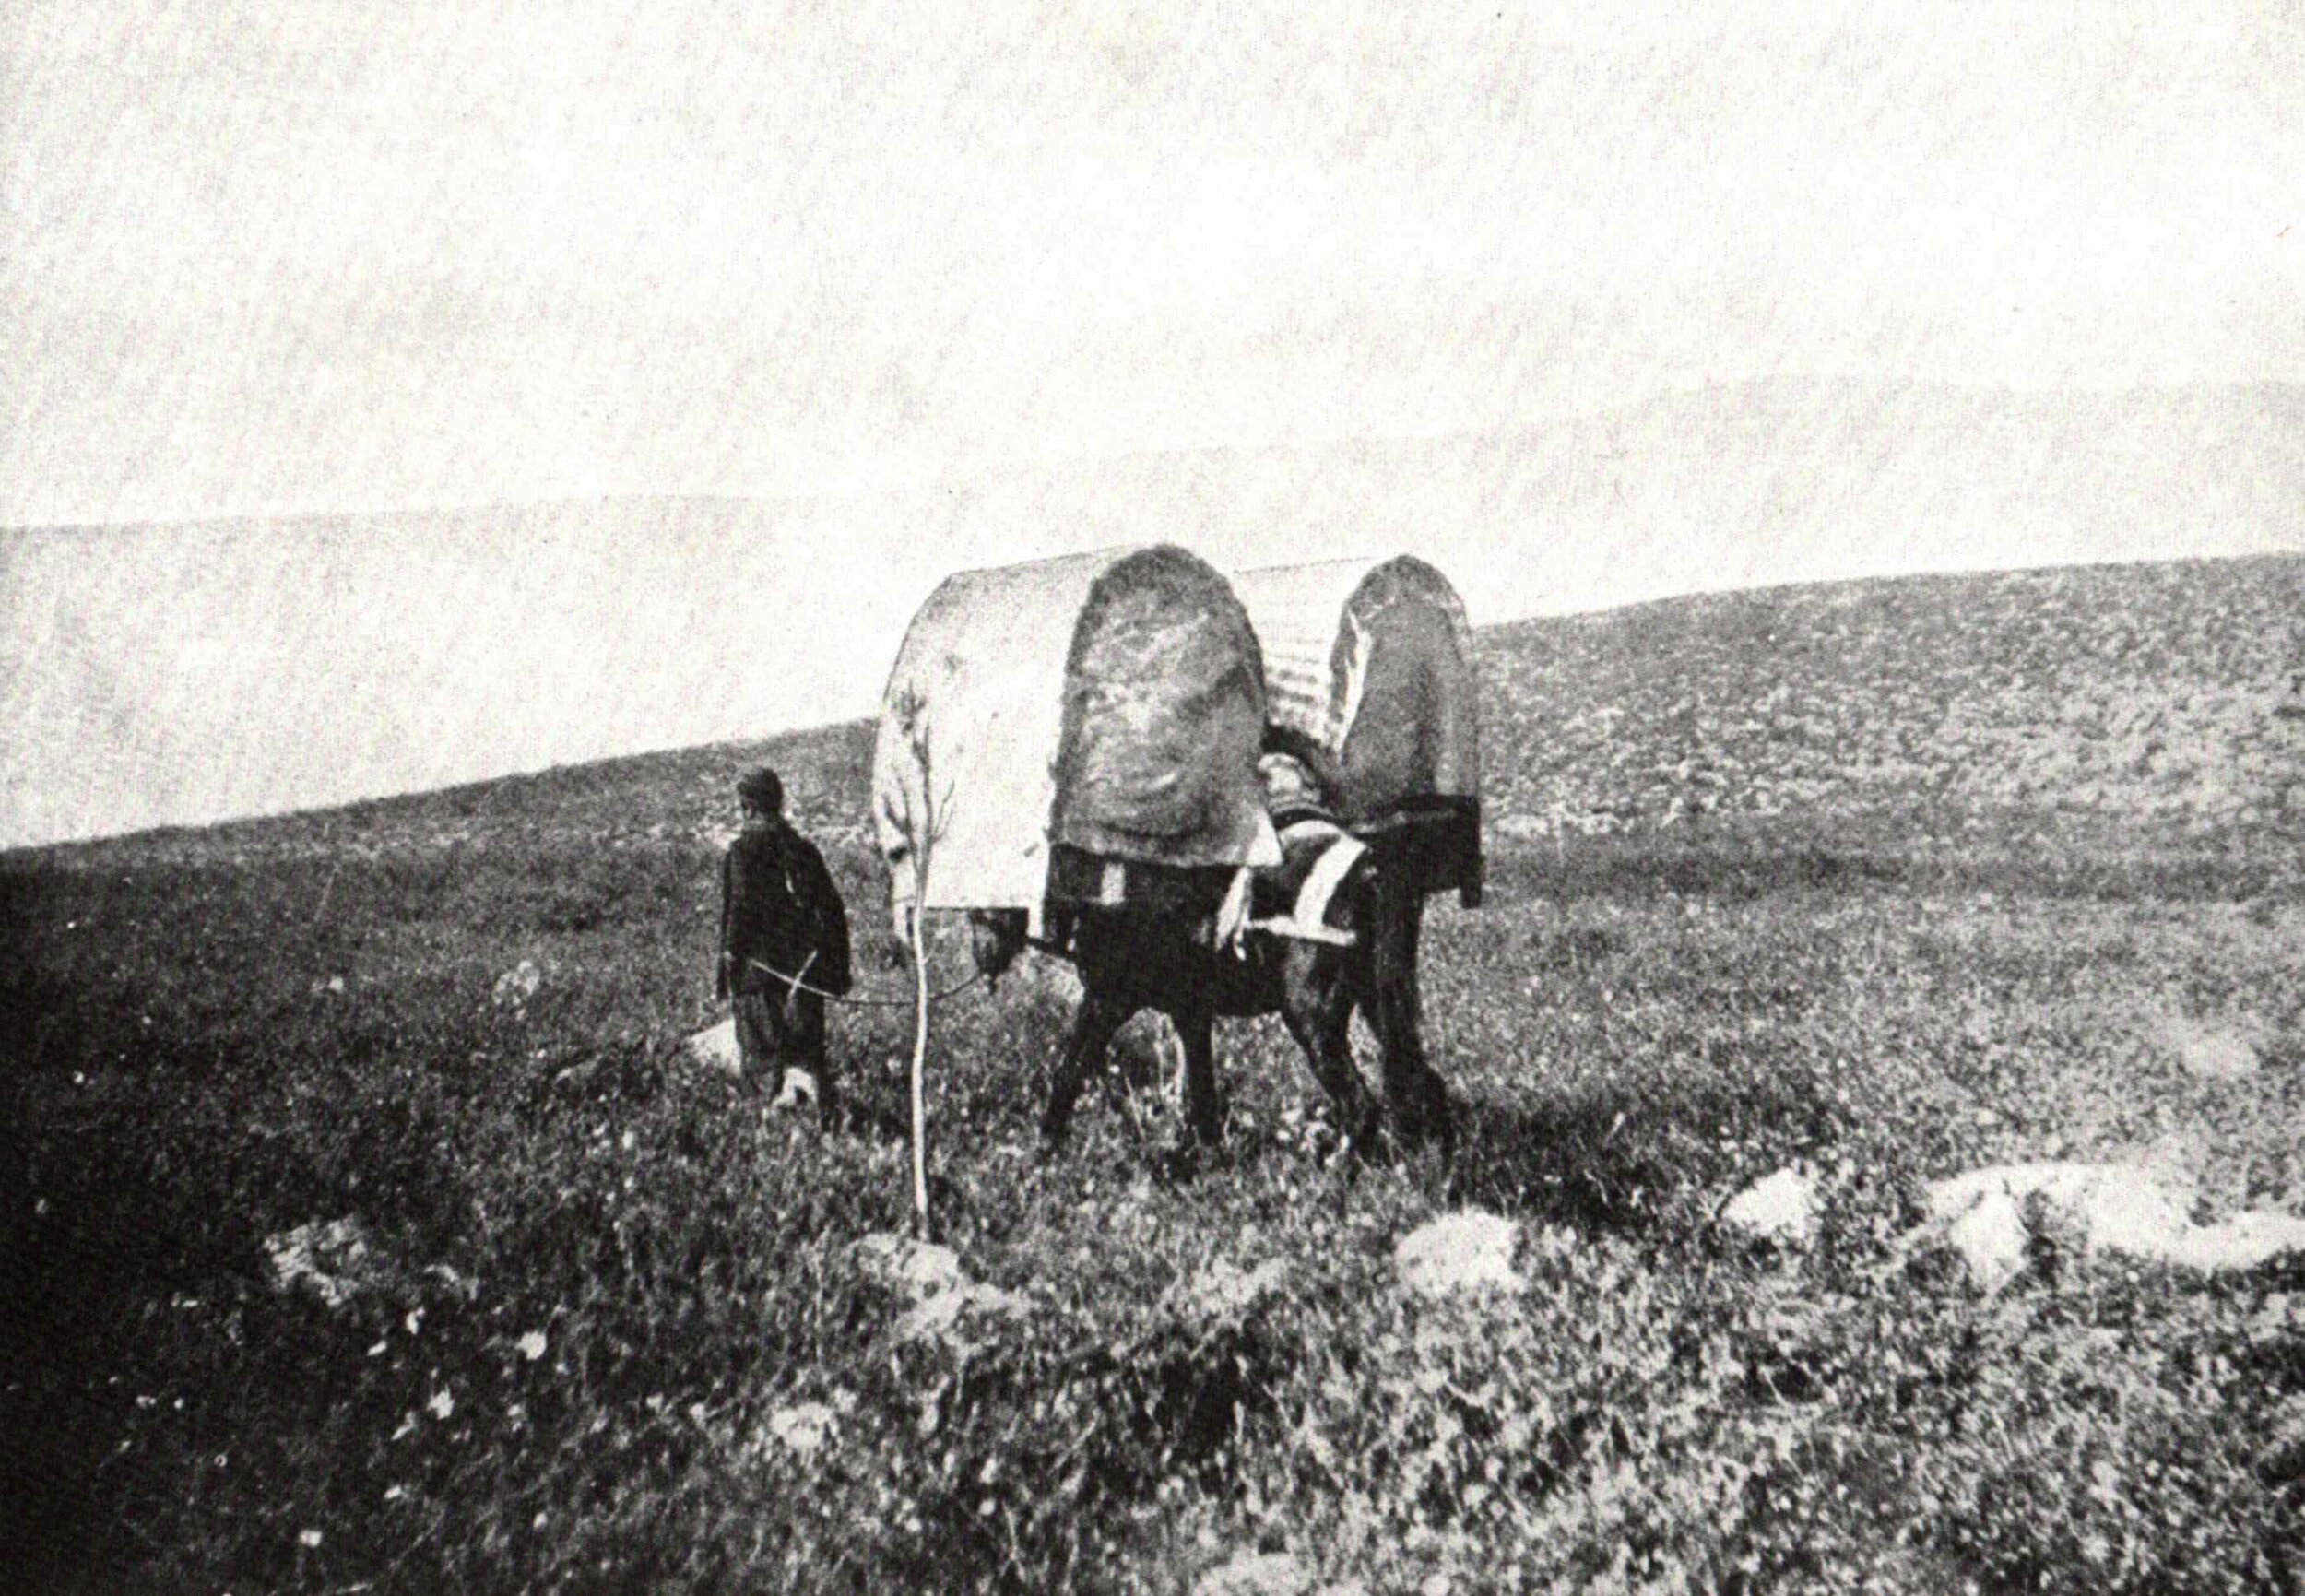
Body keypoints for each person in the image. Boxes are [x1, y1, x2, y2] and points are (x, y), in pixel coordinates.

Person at [716, 766, 853, 1124]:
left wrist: (730, 960)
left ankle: (774, 1147)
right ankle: (822, 1134)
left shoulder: (743, 852)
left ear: (747, 807)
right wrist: (835, 973)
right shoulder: (804, 851)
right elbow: (833, 911)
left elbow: (741, 908)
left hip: (758, 980)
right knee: (807, 1065)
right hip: (803, 981)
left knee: (764, 1069)